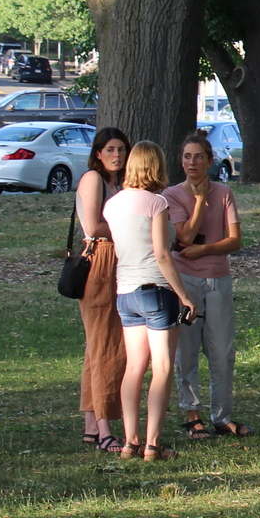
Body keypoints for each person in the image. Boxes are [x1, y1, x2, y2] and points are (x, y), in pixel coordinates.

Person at [106, 142, 198, 461]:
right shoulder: (156, 203)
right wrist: (184, 295)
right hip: (156, 290)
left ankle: (130, 441)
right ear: (156, 167)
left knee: (134, 368)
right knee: (162, 368)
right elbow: (161, 254)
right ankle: (153, 444)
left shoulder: (113, 204)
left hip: (125, 292)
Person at [166, 131, 247, 439]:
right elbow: (184, 237)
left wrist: (206, 249)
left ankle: (222, 415)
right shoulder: (172, 195)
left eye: (199, 156)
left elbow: (234, 239)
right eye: (187, 157)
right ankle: (192, 415)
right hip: (185, 281)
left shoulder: (224, 192)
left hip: (219, 280)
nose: (192, 163)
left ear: (210, 161)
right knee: (186, 351)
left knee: (222, 351)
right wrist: (199, 202)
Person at [75, 127, 130, 453]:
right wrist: (131, 228)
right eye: (110, 149)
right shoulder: (93, 179)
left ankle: (91, 426)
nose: (117, 155)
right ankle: (106, 428)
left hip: (118, 258)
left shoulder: (118, 184)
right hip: (100, 261)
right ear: (98, 153)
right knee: (106, 347)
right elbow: (93, 226)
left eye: (121, 149)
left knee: (97, 348)